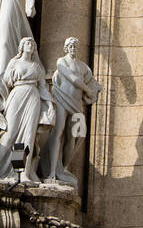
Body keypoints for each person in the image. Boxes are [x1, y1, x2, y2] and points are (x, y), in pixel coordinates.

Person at [0, 37, 53, 181]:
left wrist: (49, 105)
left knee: (28, 136)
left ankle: (23, 172)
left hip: (33, 97)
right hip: (17, 94)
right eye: (27, 43)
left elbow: (43, 87)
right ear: (22, 47)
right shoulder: (14, 62)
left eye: (32, 43)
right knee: (9, 132)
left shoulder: (37, 67)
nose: (30, 45)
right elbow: (3, 82)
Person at [43, 37, 101, 185]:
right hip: (63, 98)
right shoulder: (61, 62)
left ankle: (63, 166)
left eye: (75, 46)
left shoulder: (83, 67)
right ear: (66, 48)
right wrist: (88, 90)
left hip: (76, 102)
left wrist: (93, 91)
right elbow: (73, 79)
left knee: (77, 134)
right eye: (71, 46)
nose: (73, 49)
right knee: (59, 131)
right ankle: (52, 170)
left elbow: (93, 83)